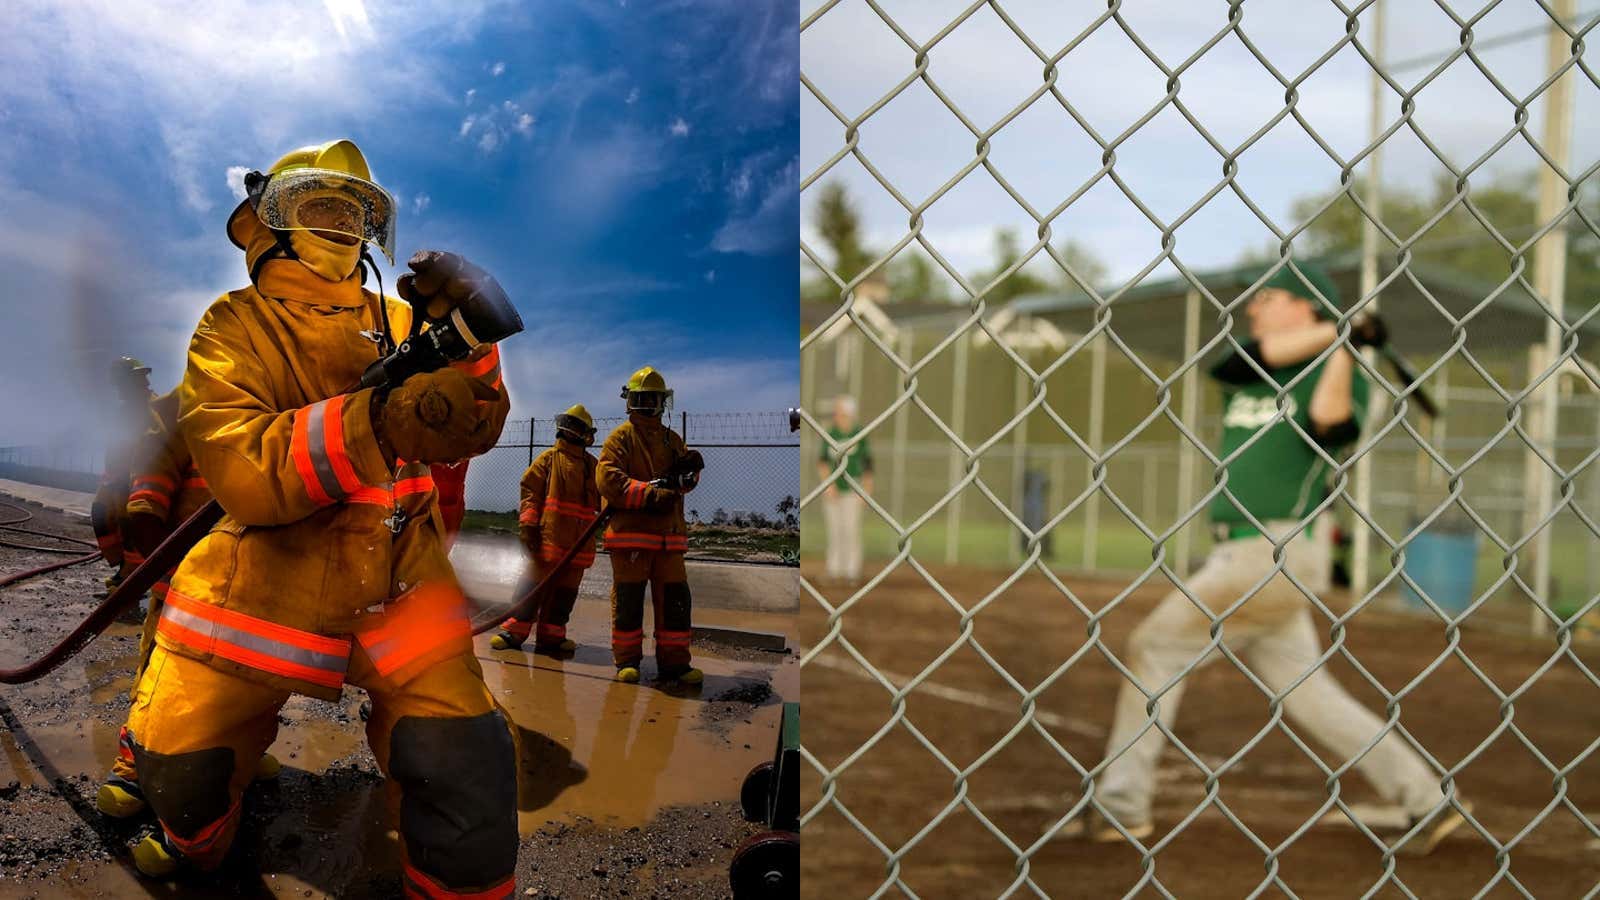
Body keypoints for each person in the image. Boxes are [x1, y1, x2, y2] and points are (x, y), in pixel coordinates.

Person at [119, 139, 520, 898]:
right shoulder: (230, 327)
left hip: (400, 589)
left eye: (354, 212)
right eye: (320, 206)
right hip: (263, 589)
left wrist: (470, 353)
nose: (341, 226)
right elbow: (245, 469)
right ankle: (195, 838)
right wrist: (381, 422)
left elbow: (480, 423)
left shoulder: (402, 320)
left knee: (468, 771)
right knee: (180, 769)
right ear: (270, 220)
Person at [1062, 262, 1470, 855]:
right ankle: (1427, 801)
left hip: (1274, 551)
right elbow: (1230, 361)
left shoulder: (1343, 371)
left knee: (1156, 647)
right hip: (1245, 556)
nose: (1253, 308)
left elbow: (1332, 424)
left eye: (1269, 298)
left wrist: (1348, 347)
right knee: (1311, 696)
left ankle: (1121, 806)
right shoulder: (1252, 370)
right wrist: (1341, 331)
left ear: (1307, 305)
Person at [97, 388, 283, 817]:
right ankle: (133, 770)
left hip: (253, 593)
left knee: (242, 686)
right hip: (185, 589)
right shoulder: (183, 406)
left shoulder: (284, 405)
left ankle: (238, 758)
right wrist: (163, 573)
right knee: (162, 681)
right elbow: (143, 504)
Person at [596, 366, 704, 684]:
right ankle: (627, 662)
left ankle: (675, 666)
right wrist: (650, 495)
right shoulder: (620, 439)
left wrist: (689, 476)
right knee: (628, 603)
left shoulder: (673, 441)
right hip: (631, 540)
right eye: (643, 398)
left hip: (669, 541)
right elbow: (608, 480)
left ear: (662, 401)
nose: (648, 405)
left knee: (676, 604)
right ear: (630, 401)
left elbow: (684, 482)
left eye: (653, 399)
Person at [492, 404, 601, 653]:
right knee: (530, 589)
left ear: (586, 434)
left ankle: (552, 639)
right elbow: (530, 493)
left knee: (564, 597)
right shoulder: (549, 460)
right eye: (568, 425)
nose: (570, 431)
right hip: (547, 542)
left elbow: (604, 498)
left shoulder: (593, 467)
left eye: (576, 427)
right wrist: (528, 526)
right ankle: (513, 633)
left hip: (578, 548)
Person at [90, 357, 156, 590]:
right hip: (118, 478)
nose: (119, 389)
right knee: (102, 513)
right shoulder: (126, 410)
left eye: (121, 383)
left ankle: (132, 577)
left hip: (141, 478)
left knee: (132, 523)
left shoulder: (156, 408)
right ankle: (124, 566)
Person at [818, 394, 872, 584]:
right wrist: (828, 486)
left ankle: (851, 571)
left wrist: (866, 491)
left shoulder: (859, 434)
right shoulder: (830, 433)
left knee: (851, 530)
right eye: (837, 412)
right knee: (835, 530)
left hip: (853, 489)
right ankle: (834, 570)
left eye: (841, 412)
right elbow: (823, 462)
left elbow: (868, 465)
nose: (838, 415)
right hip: (834, 490)